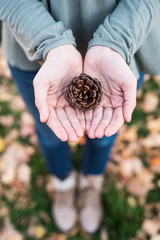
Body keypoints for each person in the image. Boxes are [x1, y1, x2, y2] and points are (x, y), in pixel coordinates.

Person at [0, 0, 160, 234]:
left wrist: (116, 41)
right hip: (33, 50)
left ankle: (92, 180)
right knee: (49, 131)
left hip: (123, 52)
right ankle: (62, 181)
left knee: (104, 132)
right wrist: (49, 42)